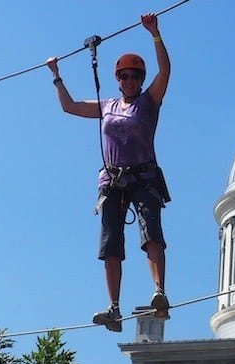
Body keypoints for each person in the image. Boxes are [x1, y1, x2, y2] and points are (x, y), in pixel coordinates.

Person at [46, 13, 171, 332]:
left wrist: (155, 35)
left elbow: (166, 71)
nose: (129, 81)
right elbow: (70, 106)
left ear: (140, 80)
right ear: (117, 79)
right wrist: (57, 76)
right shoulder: (107, 106)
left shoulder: (149, 101)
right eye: (124, 76)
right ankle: (113, 308)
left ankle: (159, 292)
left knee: (151, 231)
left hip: (143, 175)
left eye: (134, 76)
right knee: (110, 242)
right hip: (114, 179)